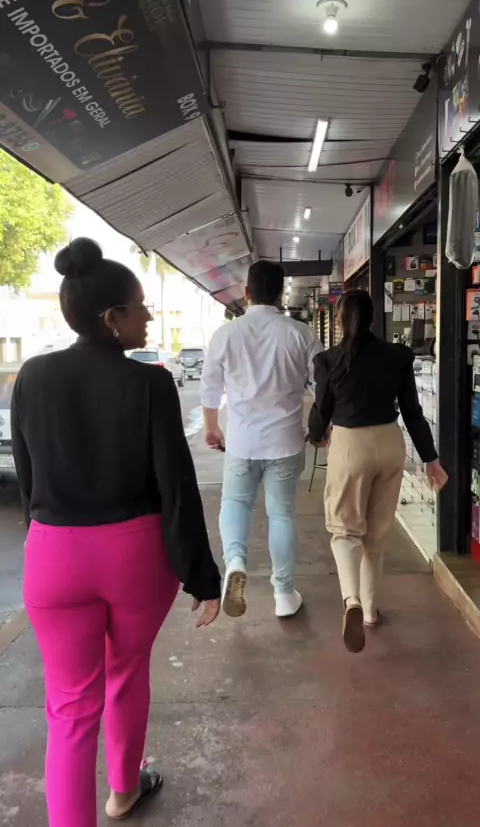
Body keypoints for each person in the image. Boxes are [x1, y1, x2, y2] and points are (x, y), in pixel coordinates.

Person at [11, 238, 221, 827]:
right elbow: (176, 485)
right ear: (112, 319)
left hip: (54, 555)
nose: (148, 316)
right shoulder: (149, 383)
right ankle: (124, 791)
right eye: (139, 307)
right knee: (127, 671)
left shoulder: (32, 377)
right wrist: (201, 576)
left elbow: (27, 475)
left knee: (70, 708)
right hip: (134, 556)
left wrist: (47, 533)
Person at [308, 289, 447, 654]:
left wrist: (316, 433)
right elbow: (412, 411)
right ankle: (370, 611)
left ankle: (351, 600)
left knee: (345, 530)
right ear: (373, 319)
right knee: (376, 533)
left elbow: (321, 413)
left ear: (340, 320)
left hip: (350, 446)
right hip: (389, 444)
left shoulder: (329, 361)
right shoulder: (397, 356)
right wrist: (431, 459)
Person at [201, 260, 323, 619]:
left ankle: (236, 562)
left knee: (235, 504)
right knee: (281, 515)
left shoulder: (226, 335)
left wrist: (212, 427)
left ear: (247, 293)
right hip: (286, 442)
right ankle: (284, 594)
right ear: (281, 293)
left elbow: (210, 387)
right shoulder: (301, 334)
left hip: (242, 442)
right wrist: (320, 427)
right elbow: (323, 385)